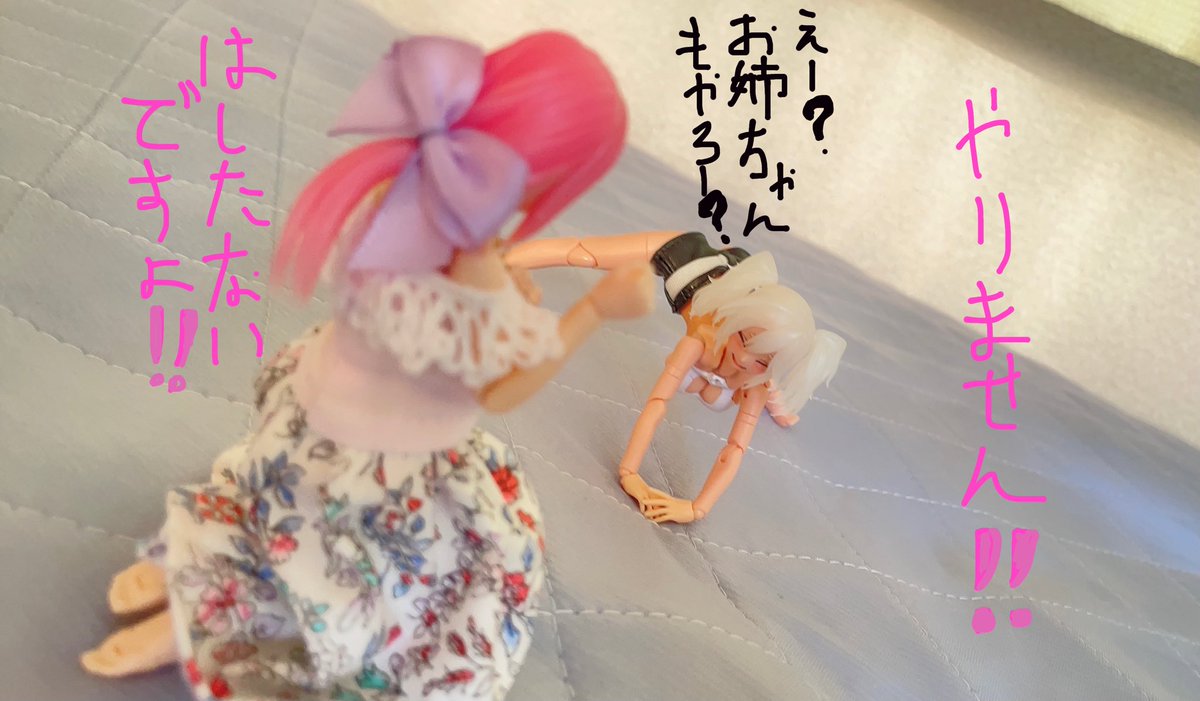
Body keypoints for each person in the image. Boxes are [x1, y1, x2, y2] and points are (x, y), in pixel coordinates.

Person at [82, 32, 654, 700]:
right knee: (393, 584)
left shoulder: (400, 183)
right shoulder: (473, 271)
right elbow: (502, 391)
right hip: (387, 454)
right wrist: (595, 309)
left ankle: (199, 570)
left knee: (282, 515)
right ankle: (213, 612)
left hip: (316, 401)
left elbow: (436, 303)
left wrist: (502, 286)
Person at [506, 231, 846, 524]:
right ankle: (502, 260)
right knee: (583, 254)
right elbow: (656, 405)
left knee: (756, 382)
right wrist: (629, 472)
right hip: (693, 256)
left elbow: (734, 450)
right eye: (742, 340)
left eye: (762, 361)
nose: (743, 358)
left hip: (748, 312)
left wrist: (697, 508)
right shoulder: (699, 343)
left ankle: (771, 379)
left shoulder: (756, 381)